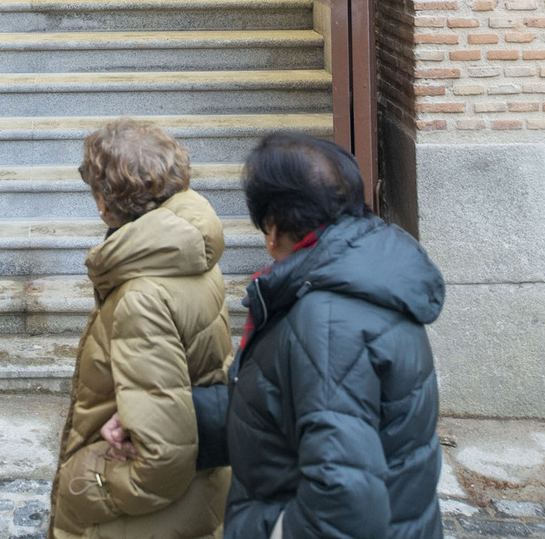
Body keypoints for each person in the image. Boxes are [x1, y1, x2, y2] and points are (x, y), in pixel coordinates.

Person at [189, 131, 446, 539]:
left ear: (272, 226)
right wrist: (170, 422)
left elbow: (343, 502)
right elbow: (283, 405)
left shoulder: (327, 320)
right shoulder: (360, 274)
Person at [50, 118, 233, 539]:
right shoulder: (185, 248)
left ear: (106, 203)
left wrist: (86, 483)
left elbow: (163, 460)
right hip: (197, 499)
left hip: (145, 521)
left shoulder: (142, 297)